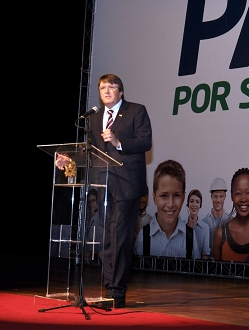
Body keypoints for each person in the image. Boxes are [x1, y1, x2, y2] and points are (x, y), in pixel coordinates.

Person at [56, 73, 152, 308]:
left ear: (121, 91)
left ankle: (116, 293)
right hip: (102, 187)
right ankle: (109, 289)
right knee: (106, 241)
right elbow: (89, 150)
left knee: (119, 240)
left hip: (127, 186)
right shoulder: (94, 118)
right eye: (102, 88)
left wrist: (119, 142)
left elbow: (145, 142)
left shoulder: (136, 111)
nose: (106, 91)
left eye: (111, 87)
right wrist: (68, 160)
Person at [134, 160, 201, 259]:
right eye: (164, 195)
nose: (170, 204)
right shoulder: (143, 237)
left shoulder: (191, 238)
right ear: (154, 198)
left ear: (183, 198)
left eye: (176, 195)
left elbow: (196, 273)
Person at [202, 177, 232, 255]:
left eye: (221, 196)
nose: (218, 200)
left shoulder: (231, 221)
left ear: (225, 197)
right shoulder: (204, 222)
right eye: (215, 196)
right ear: (211, 197)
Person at [186, 189, 211, 259]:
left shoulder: (205, 228)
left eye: (197, 202)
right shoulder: (181, 225)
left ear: (200, 205)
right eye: (191, 201)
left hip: (198, 267)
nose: (194, 205)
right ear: (188, 204)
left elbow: (205, 254)